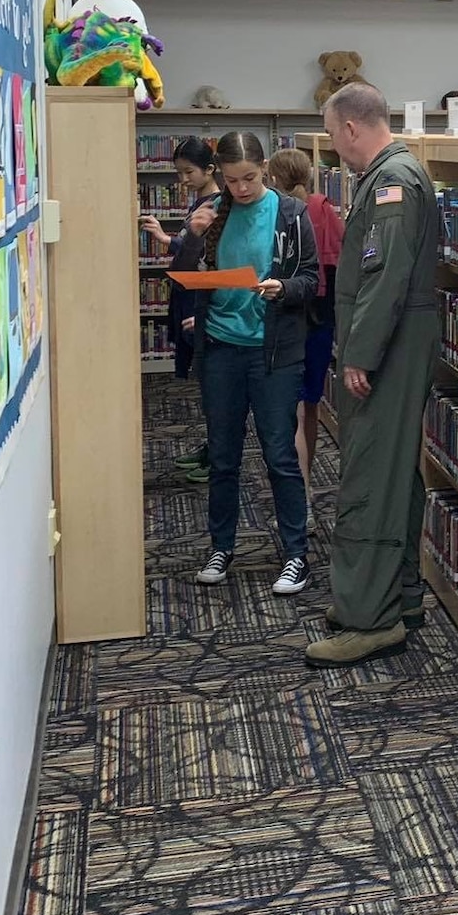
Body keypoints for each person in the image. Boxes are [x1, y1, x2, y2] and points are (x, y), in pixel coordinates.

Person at [307, 83, 441, 668]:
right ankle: (399, 595)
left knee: (369, 476)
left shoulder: (393, 185)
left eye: (334, 137)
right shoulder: (394, 174)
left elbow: (383, 279)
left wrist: (358, 353)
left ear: (352, 129)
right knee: (390, 473)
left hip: (388, 351)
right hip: (397, 346)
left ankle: (370, 618)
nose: (335, 150)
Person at [191, 131, 321, 597]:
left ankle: (295, 554)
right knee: (222, 456)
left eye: (248, 178)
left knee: (280, 455)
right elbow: (194, 275)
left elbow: (311, 279)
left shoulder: (291, 213)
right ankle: (220, 546)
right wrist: (194, 239)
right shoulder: (212, 213)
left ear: (264, 168)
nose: (240, 189)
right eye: (230, 180)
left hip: (273, 352)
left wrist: (282, 289)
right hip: (221, 348)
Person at [141, 135, 220, 482]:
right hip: (187, 293)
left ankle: (217, 454)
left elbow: (204, 255)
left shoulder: (216, 205)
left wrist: (171, 241)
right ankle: (211, 447)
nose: (182, 180)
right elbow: (190, 246)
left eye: (189, 173)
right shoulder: (200, 202)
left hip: (200, 297)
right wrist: (166, 239)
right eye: (179, 173)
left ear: (210, 169)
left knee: (211, 380)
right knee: (202, 381)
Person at [265, 147, 345, 489]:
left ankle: (295, 490)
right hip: (320, 322)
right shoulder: (323, 209)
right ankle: (307, 482)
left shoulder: (275, 213)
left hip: (284, 320)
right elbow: (343, 261)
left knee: (285, 409)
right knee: (308, 407)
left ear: (272, 179)